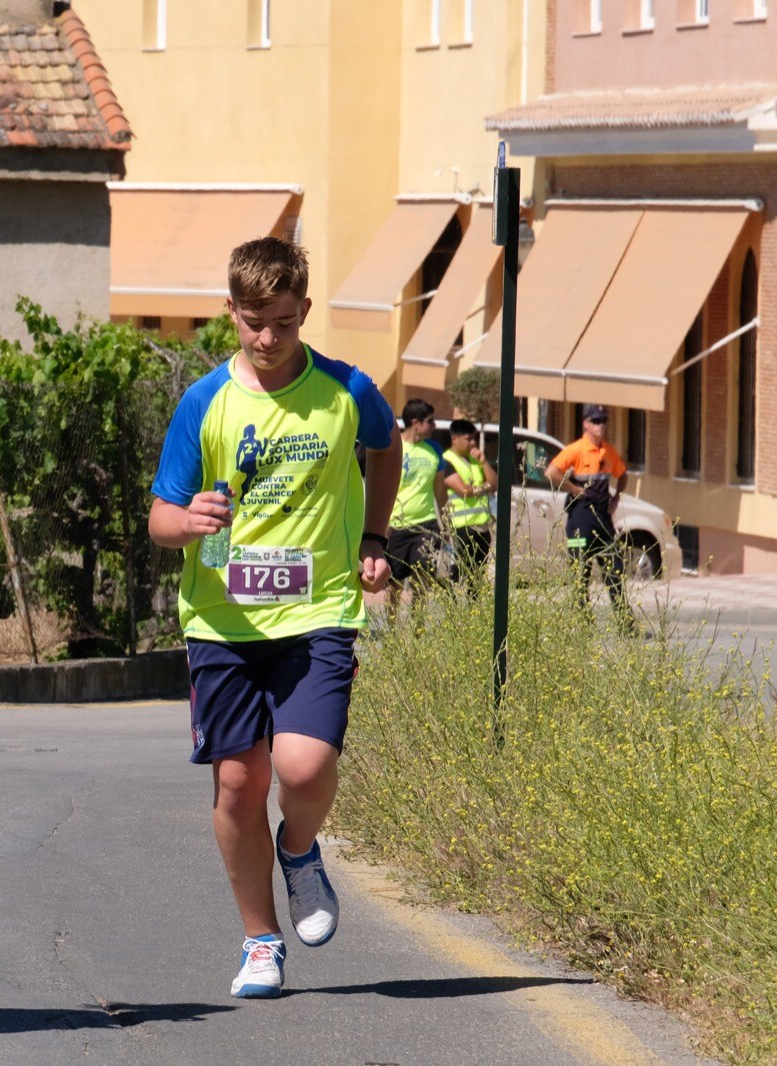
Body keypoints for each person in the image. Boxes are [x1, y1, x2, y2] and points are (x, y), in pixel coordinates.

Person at [148, 236, 399, 999]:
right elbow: (159, 517)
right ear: (231, 312)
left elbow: (385, 449)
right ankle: (261, 941)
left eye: (284, 323)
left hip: (318, 606)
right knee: (237, 781)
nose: (267, 338)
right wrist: (187, 522)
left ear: (305, 313)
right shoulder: (206, 401)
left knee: (302, 766)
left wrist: (374, 534)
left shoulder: (347, 389)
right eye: (254, 321)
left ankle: (299, 850)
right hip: (222, 620)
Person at [544, 405, 633, 630]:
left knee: (615, 567)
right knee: (579, 571)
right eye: (595, 421)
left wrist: (617, 498)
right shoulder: (576, 449)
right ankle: (583, 623)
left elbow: (623, 475)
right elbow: (550, 472)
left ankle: (625, 622)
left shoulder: (608, 451)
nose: (600, 425)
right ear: (585, 424)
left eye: (603, 420)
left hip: (602, 517)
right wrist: (574, 489)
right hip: (580, 518)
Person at [385, 399, 448, 600]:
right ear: (415, 422)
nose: (434, 426)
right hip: (396, 526)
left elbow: (440, 490)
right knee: (393, 584)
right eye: (430, 421)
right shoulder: (393, 446)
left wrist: (445, 524)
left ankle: (418, 631)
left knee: (422, 582)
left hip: (426, 525)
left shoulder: (434, 449)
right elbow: (381, 487)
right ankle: (393, 630)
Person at [440, 418, 497, 592]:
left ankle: (474, 611)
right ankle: (455, 613)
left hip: (481, 527)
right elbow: (463, 490)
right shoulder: (446, 460)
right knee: (456, 576)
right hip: (461, 528)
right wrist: (485, 487)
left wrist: (484, 462)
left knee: (477, 578)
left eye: (474, 438)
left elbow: (494, 483)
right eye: (468, 439)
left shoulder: (474, 460)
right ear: (454, 439)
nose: (472, 443)